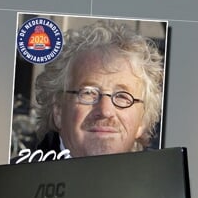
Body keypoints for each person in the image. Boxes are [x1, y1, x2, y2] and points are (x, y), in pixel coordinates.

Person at [25, 20, 164, 159]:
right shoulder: (15, 179)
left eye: (122, 96)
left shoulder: (166, 178)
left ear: (142, 121)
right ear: (58, 111)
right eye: (88, 93)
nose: (105, 111)